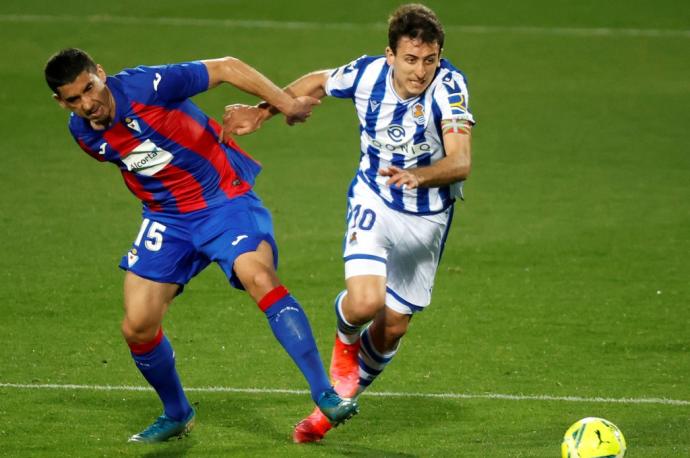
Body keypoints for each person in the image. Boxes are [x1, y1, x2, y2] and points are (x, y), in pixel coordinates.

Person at [44, 48, 358, 443]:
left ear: (101, 74)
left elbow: (227, 67)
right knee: (137, 326)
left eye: (90, 88)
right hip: (167, 219)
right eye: (73, 99)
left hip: (222, 200)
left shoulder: (148, 86)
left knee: (256, 274)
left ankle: (325, 393)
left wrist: (284, 104)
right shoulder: (83, 132)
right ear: (61, 102)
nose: (87, 103)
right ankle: (177, 413)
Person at [223, 3, 475, 443]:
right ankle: (343, 349)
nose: (420, 71)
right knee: (363, 304)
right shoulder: (366, 74)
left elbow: (461, 161)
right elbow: (319, 82)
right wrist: (262, 113)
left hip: (428, 216)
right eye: (410, 59)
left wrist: (419, 175)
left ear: (440, 57)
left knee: (393, 325)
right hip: (374, 198)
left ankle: (339, 398)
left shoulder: (449, 88)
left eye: (429, 60)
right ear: (390, 55)